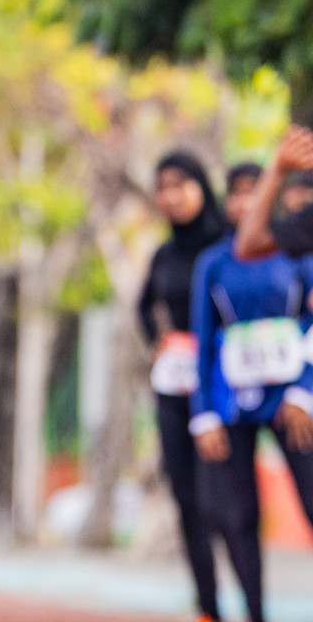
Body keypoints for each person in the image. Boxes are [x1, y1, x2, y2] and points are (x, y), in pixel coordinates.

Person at [191, 155, 313, 622]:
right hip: (232, 403)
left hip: (290, 403)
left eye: (254, 191)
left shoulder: (294, 248)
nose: (245, 202)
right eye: (236, 192)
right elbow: (203, 339)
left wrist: (303, 390)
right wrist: (203, 414)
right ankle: (254, 613)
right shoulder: (214, 263)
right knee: (239, 516)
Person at [137, 151, 229, 622]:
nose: (170, 196)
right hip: (174, 388)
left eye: (180, 184)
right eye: (162, 187)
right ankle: (208, 608)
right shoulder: (163, 255)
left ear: (201, 185)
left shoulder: (229, 244)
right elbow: (142, 306)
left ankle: (255, 604)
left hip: (225, 389)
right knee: (187, 500)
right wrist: (158, 342)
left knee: (226, 504)